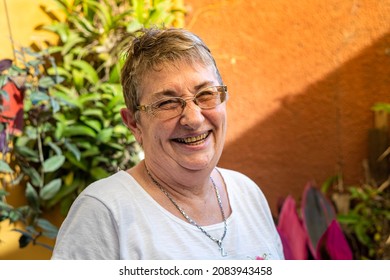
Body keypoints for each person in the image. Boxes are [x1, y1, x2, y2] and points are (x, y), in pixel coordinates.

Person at [51, 27, 284, 260]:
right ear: (134, 124)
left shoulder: (247, 193)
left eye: (205, 94)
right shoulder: (105, 212)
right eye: (167, 103)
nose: (193, 119)